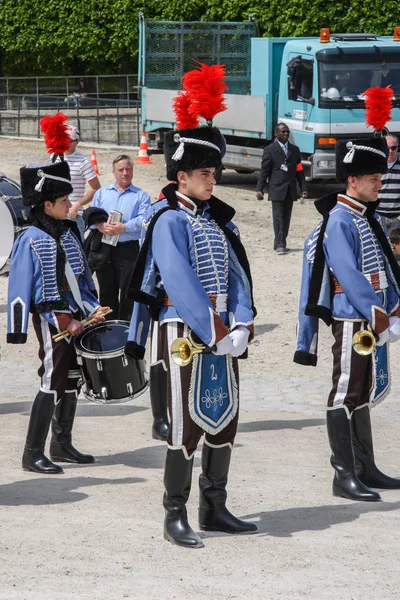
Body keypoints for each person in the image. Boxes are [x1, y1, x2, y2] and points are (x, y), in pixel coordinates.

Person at [125, 125, 258, 548]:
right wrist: (215, 329)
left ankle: (213, 507)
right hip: (183, 331)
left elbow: (238, 278)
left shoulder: (215, 222)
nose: (212, 178)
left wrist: (241, 321)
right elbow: (180, 283)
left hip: (220, 332)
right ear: (181, 176)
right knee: (185, 423)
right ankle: (175, 513)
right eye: (204, 172)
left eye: (213, 171)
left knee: (224, 419)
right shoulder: (168, 219)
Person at [294, 135, 400, 502]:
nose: (379, 183)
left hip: (369, 319)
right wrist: (378, 314)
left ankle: (364, 466)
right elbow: (349, 274)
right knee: (345, 390)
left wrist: (394, 304)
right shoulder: (340, 220)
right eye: (373, 178)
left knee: (361, 392)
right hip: (352, 319)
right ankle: (343, 474)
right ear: (352, 180)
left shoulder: (364, 218)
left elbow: (382, 268)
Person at [7, 161, 109, 474]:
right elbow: (26, 288)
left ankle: (61, 444)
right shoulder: (31, 239)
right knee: (52, 378)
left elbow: (81, 280)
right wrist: (62, 320)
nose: (71, 204)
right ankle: (32, 453)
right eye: (64, 201)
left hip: (76, 317)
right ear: (47, 204)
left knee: (73, 378)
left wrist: (92, 308)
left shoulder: (68, 233)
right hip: (51, 322)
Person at [90, 154, 151, 321]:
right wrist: (101, 226)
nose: (125, 173)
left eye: (128, 169)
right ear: (114, 172)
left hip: (128, 249)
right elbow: (91, 216)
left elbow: (145, 220)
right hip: (105, 248)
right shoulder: (102, 193)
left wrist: (124, 227)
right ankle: (108, 327)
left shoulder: (141, 195)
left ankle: (126, 328)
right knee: (107, 290)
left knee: (128, 291)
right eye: (121, 170)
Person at [256, 123, 307, 254]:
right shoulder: (270, 150)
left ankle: (281, 242)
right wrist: (259, 189)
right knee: (278, 217)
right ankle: (280, 244)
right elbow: (264, 171)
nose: (286, 134)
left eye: (287, 132)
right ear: (276, 133)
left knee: (286, 217)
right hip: (277, 188)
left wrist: (303, 188)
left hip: (290, 188)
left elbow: (299, 171)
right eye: (283, 132)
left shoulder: (294, 150)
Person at [63, 124, 101, 241]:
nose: (67, 142)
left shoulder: (83, 162)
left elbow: (96, 189)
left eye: (70, 140)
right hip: (56, 214)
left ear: (77, 140)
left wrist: (77, 204)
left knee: (76, 252)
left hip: (73, 216)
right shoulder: (55, 156)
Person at [376, 134, 400, 232]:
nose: (390, 151)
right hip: (377, 216)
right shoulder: (374, 167)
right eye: (387, 147)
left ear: (397, 148)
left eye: (393, 148)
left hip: (397, 217)